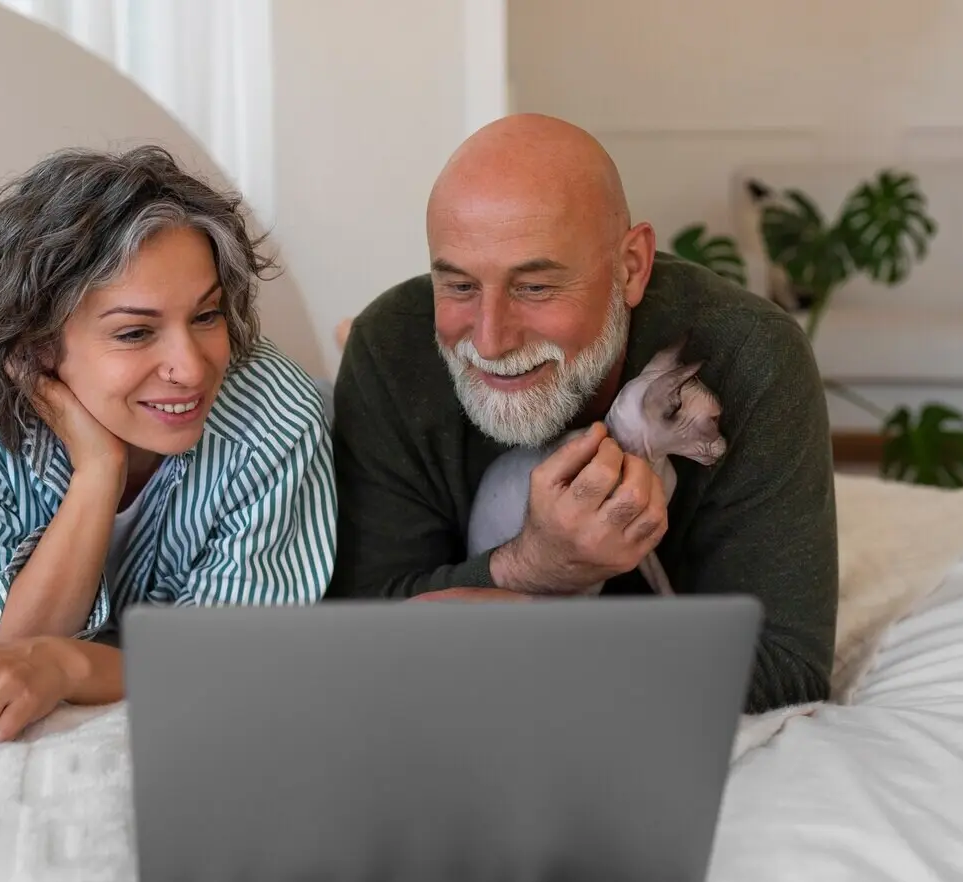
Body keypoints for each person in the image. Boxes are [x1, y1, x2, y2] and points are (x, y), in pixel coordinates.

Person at [326, 114, 838, 713]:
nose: (490, 341)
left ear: (630, 268)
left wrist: (507, 629)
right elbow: (361, 634)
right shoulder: (390, 346)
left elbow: (788, 670)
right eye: (460, 287)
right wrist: (530, 566)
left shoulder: (753, 355)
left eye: (535, 288)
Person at [0, 145, 337, 748]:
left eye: (206, 317)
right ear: (38, 343)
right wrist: (97, 472)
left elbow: (236, 658)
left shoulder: (276, 415)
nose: (191, 368)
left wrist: (66, 665)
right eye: (134, 332)